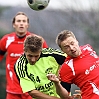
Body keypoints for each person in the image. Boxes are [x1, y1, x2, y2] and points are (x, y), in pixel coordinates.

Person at [0, 12, 48, 99]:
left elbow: (47, 60)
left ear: (27, 25)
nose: (21, 23)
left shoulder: (37, 40)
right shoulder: (6, 40)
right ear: (14, 24)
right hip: (12, 91)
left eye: (24, 21)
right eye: (18, 21)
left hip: (32, 90)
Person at [14, 35, 71, 99]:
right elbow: (32, 91)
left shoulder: (53, 54)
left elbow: (74, 62)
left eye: (36, 56)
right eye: (30, 56)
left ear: (41, 50)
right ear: (24, 50)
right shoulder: (20, 65)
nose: (33, 59)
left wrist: (81, 87)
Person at [47, 30, 99, 99]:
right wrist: (57, 83)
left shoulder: (88, 48)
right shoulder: (67, 67)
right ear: (62, 50)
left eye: (72, 43)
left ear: (76, 41)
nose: (71, 48)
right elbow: (64, 96)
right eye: (66, 47)